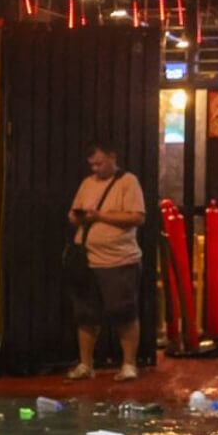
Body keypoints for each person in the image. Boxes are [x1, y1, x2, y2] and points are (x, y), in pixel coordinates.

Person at [66, 141, 146, 381]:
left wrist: (100, 216)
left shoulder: (127, 182)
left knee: (123, 313)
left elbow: (137, 217)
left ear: (113, 157)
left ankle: (129, 364)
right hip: (88, 260)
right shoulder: (87, 183)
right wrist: (79, 218)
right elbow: (72, 214)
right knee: (86, 314)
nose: (95, 169)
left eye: (99, 163)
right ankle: (85, 364)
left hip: (118, 260)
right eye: (92, 164)